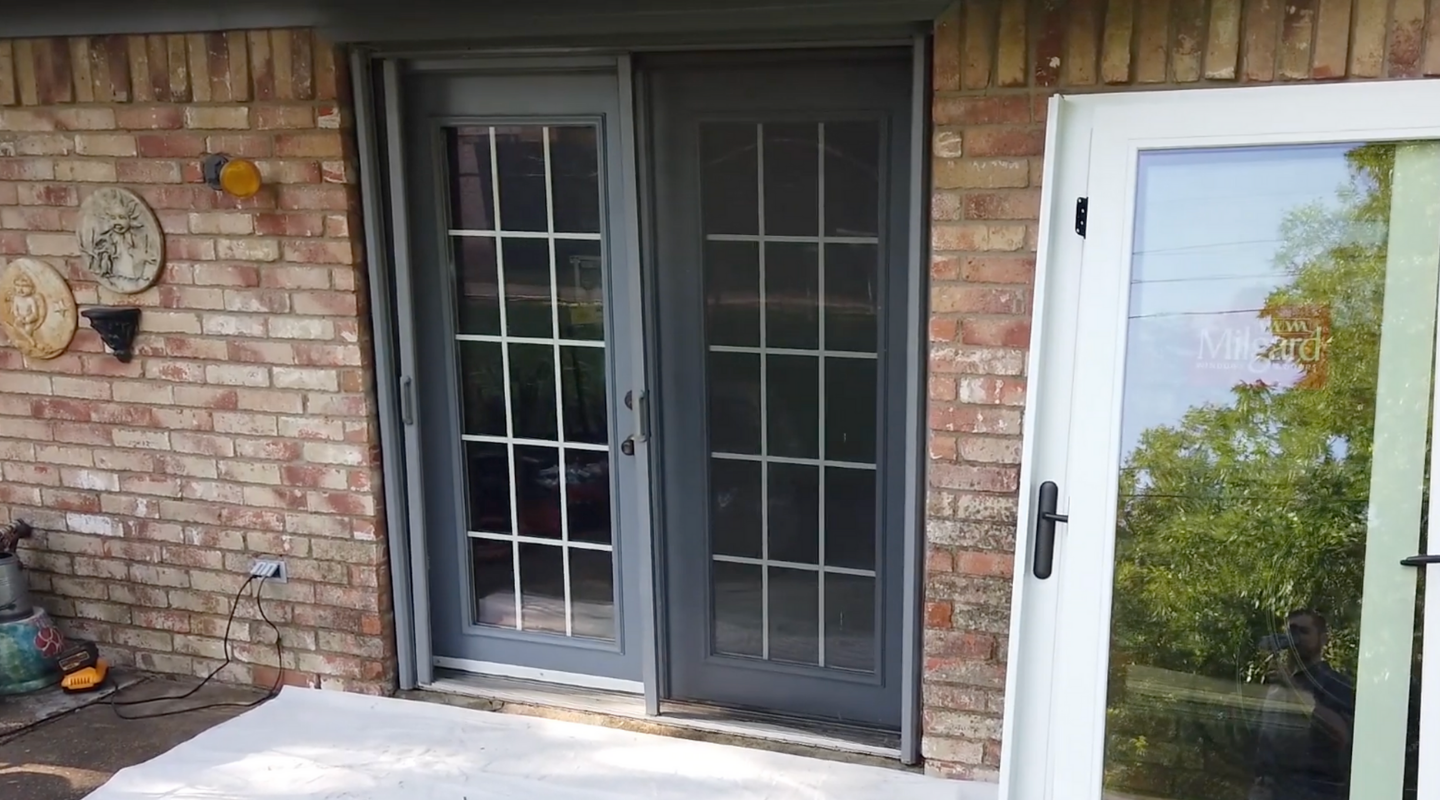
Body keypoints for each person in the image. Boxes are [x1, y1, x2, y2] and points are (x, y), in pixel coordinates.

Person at [1251, 609, 1355, 800]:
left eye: (1304, 632)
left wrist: (1293, 688)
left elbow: (1341, 733)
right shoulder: (1278, 684)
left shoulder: (1333, 683)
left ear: (1323, 639)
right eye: (1292, 631)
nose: (1295, 638)